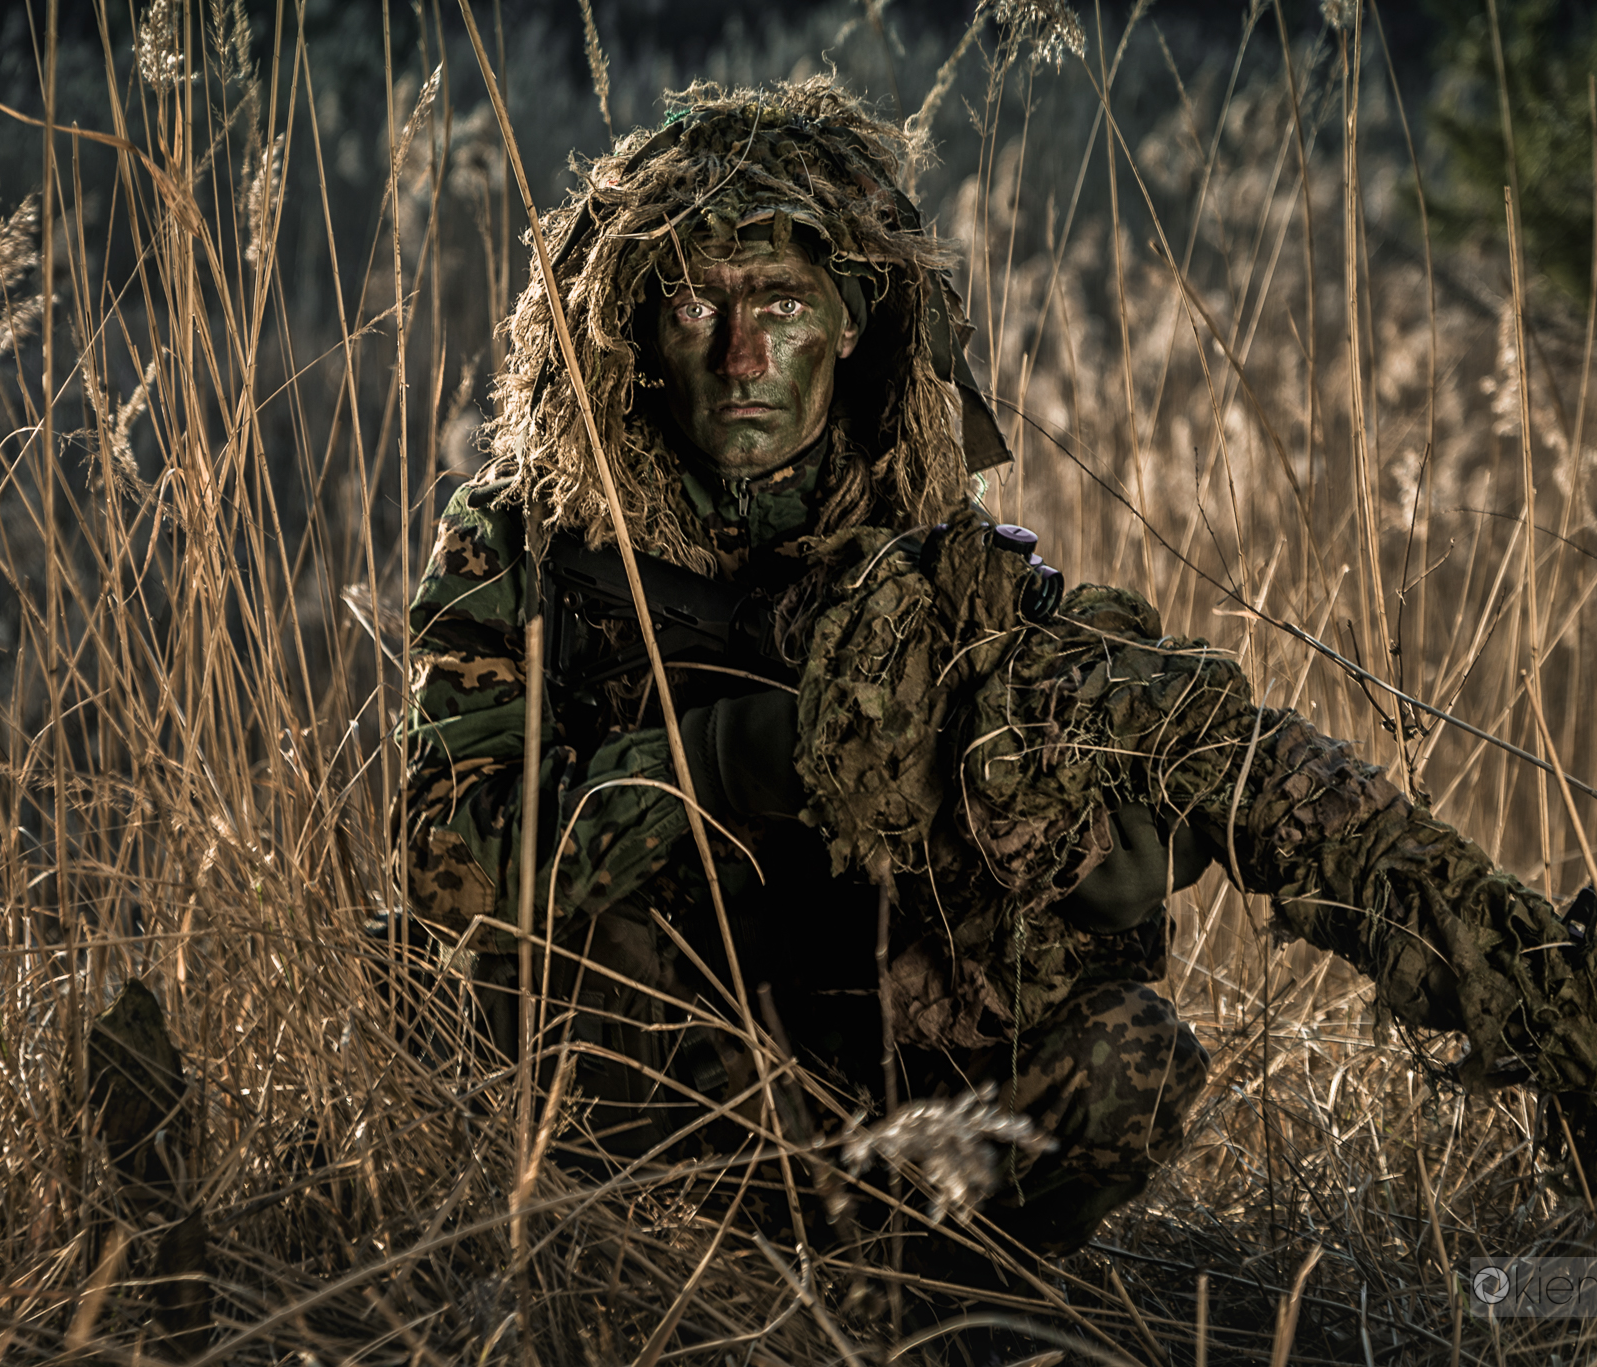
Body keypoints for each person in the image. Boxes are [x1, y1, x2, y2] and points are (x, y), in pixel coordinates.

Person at [401, 78, 1210, 1260]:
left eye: (780, 300)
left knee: (1131, 1046)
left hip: (890, 1077)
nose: (739, 355)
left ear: (849, 320)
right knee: (558, 961)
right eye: (692, 304)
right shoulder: (523, 539)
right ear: (634, 326)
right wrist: (718, 764)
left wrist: (1103, 884)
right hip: (642, 1093)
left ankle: (941, 1295)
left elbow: (1050, 913)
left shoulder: (940, 551)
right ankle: (674, 1279)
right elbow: (445, 870)